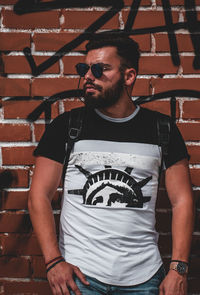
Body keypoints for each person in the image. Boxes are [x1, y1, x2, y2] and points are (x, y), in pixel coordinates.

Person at [28, 32, 194, 295]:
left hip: (145, 279)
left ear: (129, 76)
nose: (88, 76)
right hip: (80, 279)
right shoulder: (67, 127)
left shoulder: (162, 129)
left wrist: (178, 268)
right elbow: (39, 196)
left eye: (100, 69)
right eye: (85, 68)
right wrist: (53, 262)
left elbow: (182, 201)